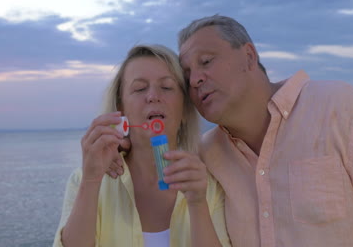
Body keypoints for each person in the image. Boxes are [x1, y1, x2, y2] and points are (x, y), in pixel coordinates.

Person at [175, 15, 353, 246]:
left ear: (249, 57)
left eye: (206, 61)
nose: (195, 79)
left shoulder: (345, 111)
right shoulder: (207, 154)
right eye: (186, 74)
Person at [53, 44, 231, 247]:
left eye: (166, 87)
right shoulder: (85, 181)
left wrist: (197, 203)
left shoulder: (208, 186)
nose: (153, 96)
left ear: (184, 110)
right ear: (121, 109)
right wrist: (91, 180)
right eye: (139, 88)